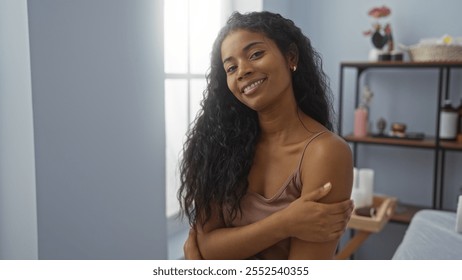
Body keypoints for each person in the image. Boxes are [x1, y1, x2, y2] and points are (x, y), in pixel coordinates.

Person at [178, 11, 354, 260]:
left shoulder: (326, 153)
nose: (242, 71)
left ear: (290, 57)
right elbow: (206, 246)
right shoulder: (222, 146)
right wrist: (285, 222)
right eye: (231, 67)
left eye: (256, 54)